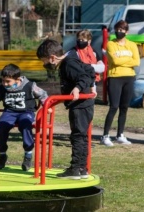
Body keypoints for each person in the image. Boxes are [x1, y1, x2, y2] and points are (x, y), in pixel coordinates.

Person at [37, 39, 95, 180]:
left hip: (80, 105)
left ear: (52, 58)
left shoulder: (68, 64)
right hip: (83, 104)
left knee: (77, 136)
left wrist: (77, 88)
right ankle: (81, 168)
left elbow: (83, 76)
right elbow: (90, 70)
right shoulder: (72, 59)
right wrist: (91, 85)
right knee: (81, 136)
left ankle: (76, 168)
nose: (44, 64)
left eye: (44, 61)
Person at [0, 64, 49, 171]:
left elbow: (43, 95)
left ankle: (28, 155)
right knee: (1, 126)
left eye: (8, 81)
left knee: (25, 125)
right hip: (9, 112)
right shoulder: (2, 88)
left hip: (26, 112)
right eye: (3, 81)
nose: (5, 84)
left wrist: (46, 106)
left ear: (17, 79)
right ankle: (2, 154)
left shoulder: (30, 86)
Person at [101, 20, 140, 146]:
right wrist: (127, 60)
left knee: (124, 107)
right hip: (115, 77)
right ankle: (105, 136)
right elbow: (115, 61)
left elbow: (136, 62)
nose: (119, 32)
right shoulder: (110, 44)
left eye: (122, 30)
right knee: (114, 107)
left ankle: (120, 135)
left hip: (129, 77)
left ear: (126, 32)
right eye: (117, 30)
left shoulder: (132, 45)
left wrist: (123, 60)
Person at [68, 29, 105, 95]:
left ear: (89, 41)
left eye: (82, 40)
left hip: (93, 81)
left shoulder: (93, 52)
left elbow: (102, 68)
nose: (80, 41)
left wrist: (89, 66)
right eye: (78, 39)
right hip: (78, 81)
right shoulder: (73, 51)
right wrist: (90, 67)